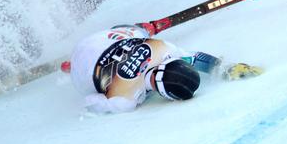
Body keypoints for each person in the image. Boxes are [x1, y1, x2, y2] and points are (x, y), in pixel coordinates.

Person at [64, 24, 262, 113]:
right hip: (80, 70)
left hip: (101, 38)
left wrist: (224, 68)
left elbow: (195, 58)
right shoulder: (125, 100)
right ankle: (69, 67)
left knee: (137, 32)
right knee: (91, 86)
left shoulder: (164, 48)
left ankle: (140, 27)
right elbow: (88, 103)